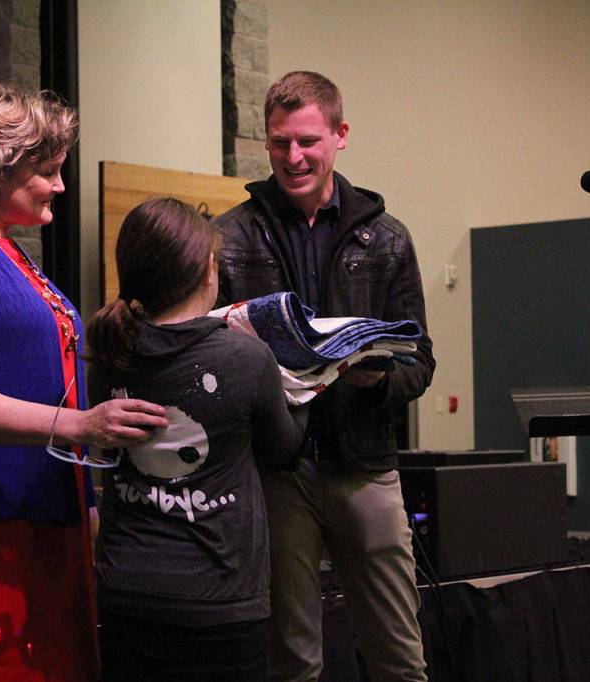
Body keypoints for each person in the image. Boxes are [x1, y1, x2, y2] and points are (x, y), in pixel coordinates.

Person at [0, 82, 168, 682]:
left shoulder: (4, 249)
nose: (61, 187)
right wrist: (79, 425)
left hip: (40, 518)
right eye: (49, 171)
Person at [213, 71, 436, 682]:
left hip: (364, 464)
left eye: (308, 140)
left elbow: (421, 362)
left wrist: (379, 380)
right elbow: (209, 352)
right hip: (279, 471)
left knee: (397, 653)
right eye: (280, 142)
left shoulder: (387, 239)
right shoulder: (230, 238)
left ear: (341, 135)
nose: (293, 156)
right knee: (293, 657)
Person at [85, 197, 306, 681]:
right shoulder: (246, 359)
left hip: (126, 592)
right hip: (219, 601)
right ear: (208, 271)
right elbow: (282, 450)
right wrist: (304, 387)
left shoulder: (108, 352)